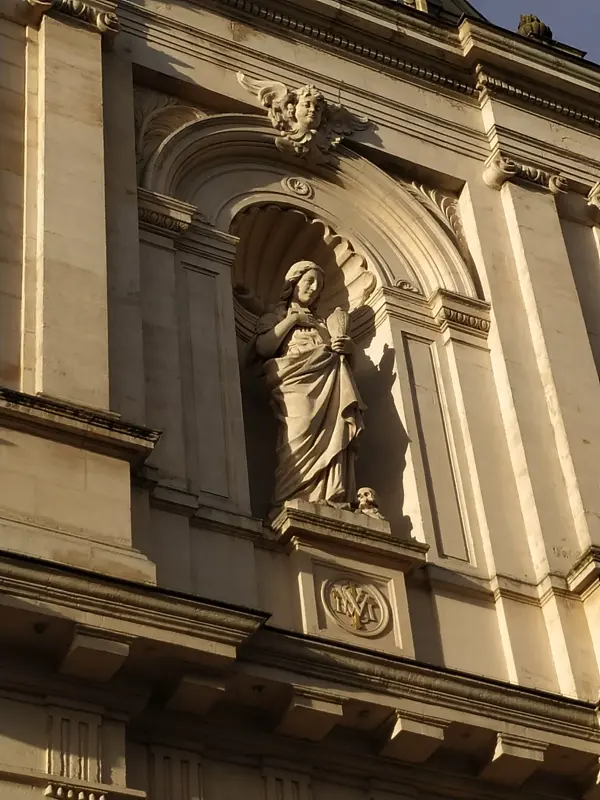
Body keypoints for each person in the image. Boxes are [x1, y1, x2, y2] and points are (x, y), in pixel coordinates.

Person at [252, 260, 365, 519]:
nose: (314, 289)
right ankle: (291, 496)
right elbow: (263, 348)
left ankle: (330, 494)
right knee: (298, 431)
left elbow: (342, 362)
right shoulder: (276, 317)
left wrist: (348, 349)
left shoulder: (322, 324)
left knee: (335, 433)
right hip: (295, 385)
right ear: (294, 282)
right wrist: (293, 319)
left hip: (330, 384)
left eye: (319, 286)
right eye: (309, 281)